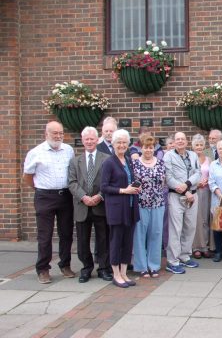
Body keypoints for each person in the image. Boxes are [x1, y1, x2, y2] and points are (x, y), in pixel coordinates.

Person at [23, 121, 75, 284]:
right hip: (44, 196)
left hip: (65, 195)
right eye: (55, 133)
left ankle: (65, 265)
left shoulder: (68, 150)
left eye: (61, 133)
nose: (58, 136)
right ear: (46, 134)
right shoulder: (35, 152)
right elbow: (28, 176)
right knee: (45, 235)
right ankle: (43, 269)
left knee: (66, 233)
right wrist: (39, 189)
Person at [67, 127, 112, 283]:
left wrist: (99, 196)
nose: (89, 141)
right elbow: (72, 183)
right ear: (82, 140)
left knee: (103, 239)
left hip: (100, 205)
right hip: (82, 206)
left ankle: (104, 269)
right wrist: (84, 197)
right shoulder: (75, 161)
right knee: (82, 241)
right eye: (86, 139)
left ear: (97, 139)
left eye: (92, 138)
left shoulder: (107, 158)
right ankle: (86, 269)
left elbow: (109, 181)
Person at [100, 129, 140, 288]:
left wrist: (135, 188)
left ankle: (124, 272)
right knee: (116, 241)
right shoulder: (109, 163)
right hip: (117, 209)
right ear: (113, 144)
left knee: (128, 241)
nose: (122, 145)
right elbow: (104, 187)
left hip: (130, 208)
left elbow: (131, 180)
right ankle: (116, 274)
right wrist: (124, 190)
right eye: (119, 142)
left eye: (124, 142)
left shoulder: (129, 160)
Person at [164, 132, 201, 274]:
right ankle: (172, 261)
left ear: (187, 141)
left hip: (192, 195)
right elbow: (169, 177)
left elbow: (198, 173)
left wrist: (187, 184)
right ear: (174, 141)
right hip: (176, 196)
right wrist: (185, 191)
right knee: (175, 229)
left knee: (190, 227)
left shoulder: (193, 155)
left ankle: (185, 256)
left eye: (183, 139)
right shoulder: (169, 156)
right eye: (177, 139)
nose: (180, 141)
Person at [132, 134, 166, 278]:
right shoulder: (135, 163)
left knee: (156, 233)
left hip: (158, 203)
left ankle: (153, 265)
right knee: (139, 235)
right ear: (141, 148)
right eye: (146, 147)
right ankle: (141, 266)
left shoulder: (160, 163)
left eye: (151, 147)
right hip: (140, 203)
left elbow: (163, 182)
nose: (148, 150)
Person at [191, 134, 213, 259]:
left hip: (207, 192)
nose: (199, 147)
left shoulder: (209, 159)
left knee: (205, 219)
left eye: (201, 145)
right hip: (194, 191)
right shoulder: (189, 158)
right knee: (195, 219)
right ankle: (196, 247)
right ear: (193, 146)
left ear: (204, 146)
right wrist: (196, 184)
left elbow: (212, 174)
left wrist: (207, 181)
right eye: (196, 145)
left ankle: (205, 245)